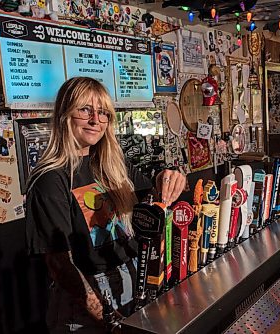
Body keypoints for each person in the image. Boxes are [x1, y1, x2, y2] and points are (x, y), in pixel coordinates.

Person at [25, 77, 186, 333]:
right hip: (85, 298)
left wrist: (168, 176)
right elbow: (61, 266)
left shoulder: (112, 166)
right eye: (85, 109)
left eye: (103, 113)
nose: (95, 120)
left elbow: (153, 191)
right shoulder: (51, 180)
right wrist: (109, 318)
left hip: (131, 280)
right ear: (65, 114)